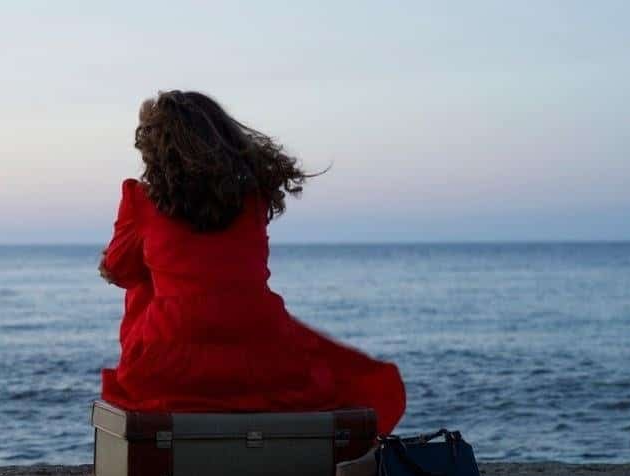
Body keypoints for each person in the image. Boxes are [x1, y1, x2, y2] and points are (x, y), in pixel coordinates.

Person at [98, 90, 406, 434]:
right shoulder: (251, 200)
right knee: (344, 377)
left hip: (169, 357)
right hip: (262, 345)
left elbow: (118, 270)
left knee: (143, 281)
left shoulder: (140, 200)